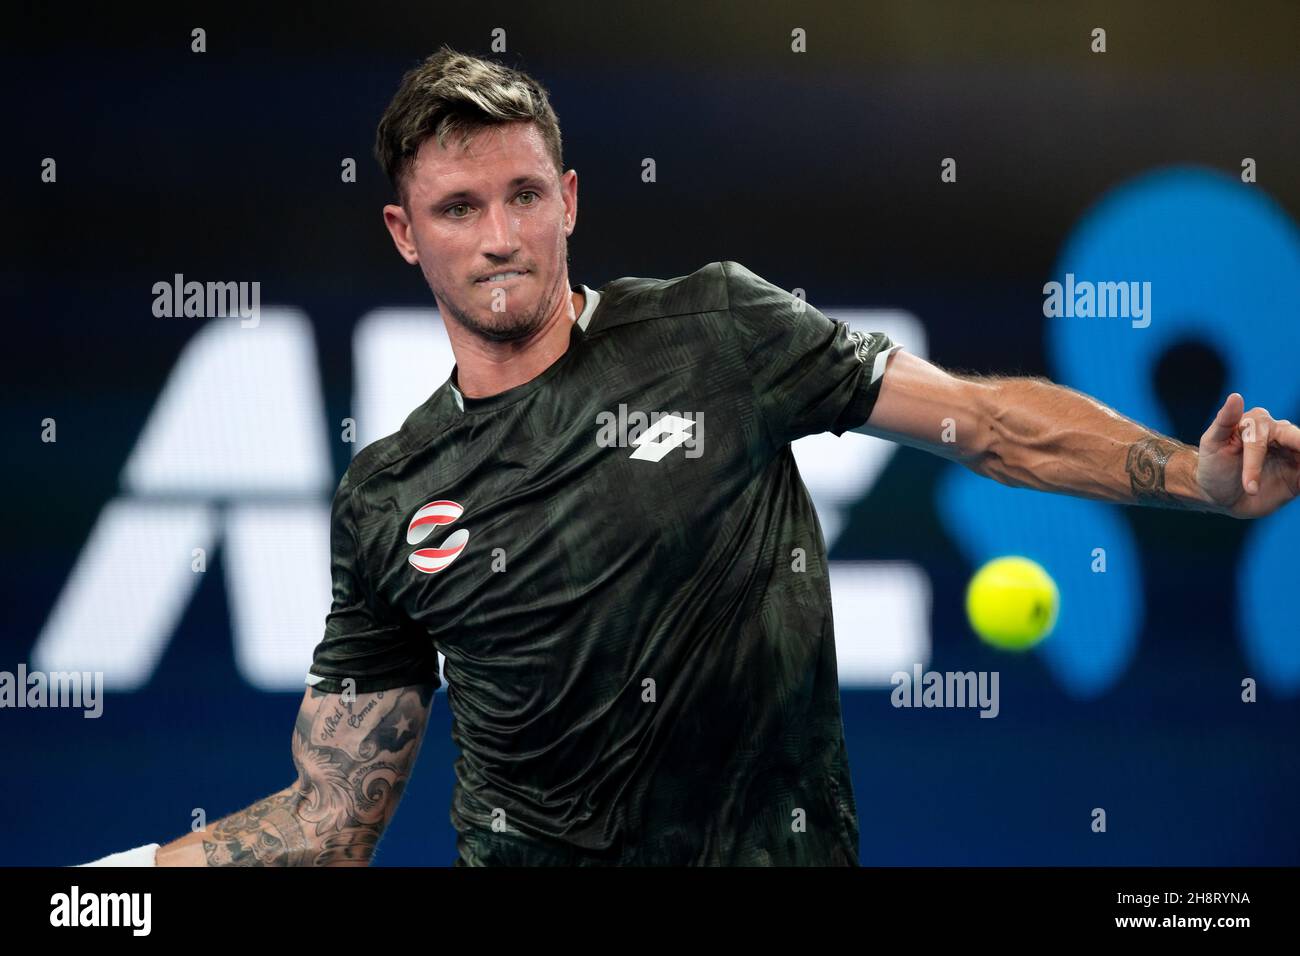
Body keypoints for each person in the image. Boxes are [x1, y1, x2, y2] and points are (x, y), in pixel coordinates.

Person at [83, 46, 1300, 867]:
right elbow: (334, 816)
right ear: (405, 233)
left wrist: (1192, 477)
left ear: (569, 197)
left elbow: (986, 422)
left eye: (521, 195)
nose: (499, 237)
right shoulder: (390, 491)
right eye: (459, 208)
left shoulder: (721, 329)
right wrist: (111, 886)